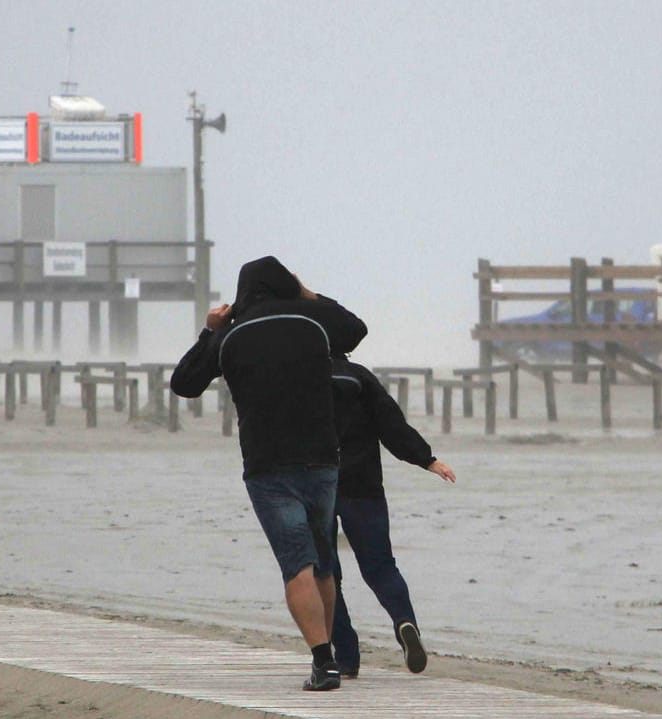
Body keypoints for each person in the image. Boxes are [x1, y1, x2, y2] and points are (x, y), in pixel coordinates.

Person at [170, 256, 367, 692]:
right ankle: (329, 657)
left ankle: (322, 662)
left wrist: (210, 330)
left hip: (268, 465)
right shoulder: (312, 323)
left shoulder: (232, 336)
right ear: (286, 286)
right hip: (321, 458)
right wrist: (309, 295)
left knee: (296, 565)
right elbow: (356, 330)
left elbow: (184, 383)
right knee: (323, 565)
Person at [326, 357, 455, 678]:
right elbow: (391, 426)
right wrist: (428, 460)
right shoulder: (359, 377)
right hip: (363, 484)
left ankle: (345, 656)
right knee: (381, 566)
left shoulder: (298, 375)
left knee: (324, 574)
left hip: (315, 485)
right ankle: (404, 621)